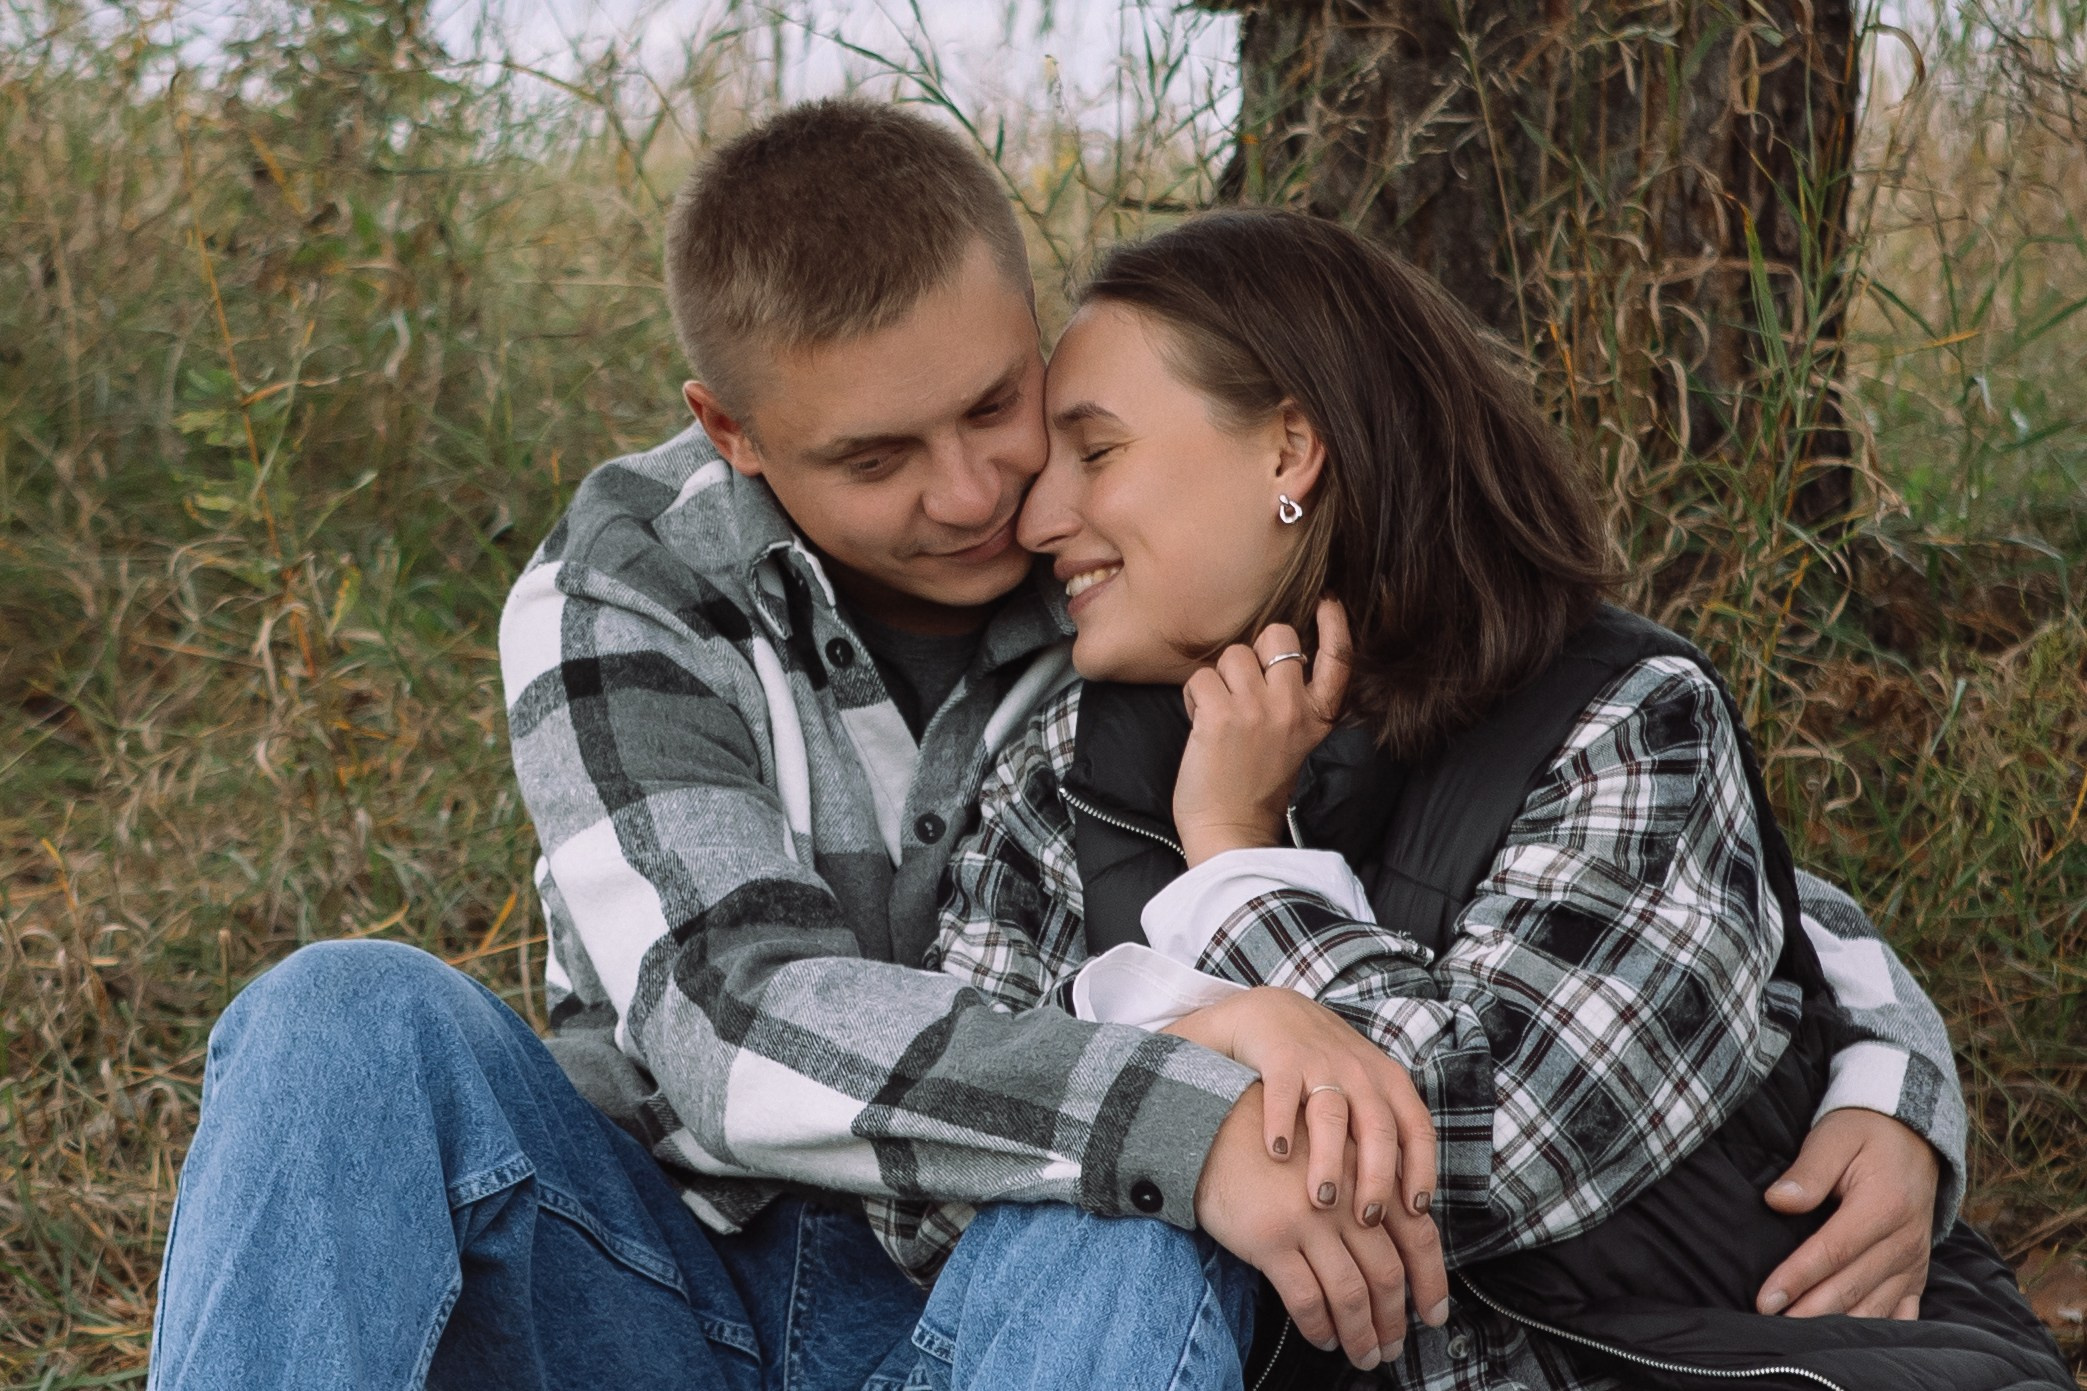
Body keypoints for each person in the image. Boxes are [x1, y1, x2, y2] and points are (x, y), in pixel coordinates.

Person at [146, 100, 1970, 1390]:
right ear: (734, 430)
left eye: (1004, 410)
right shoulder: (631, 584)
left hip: (1014, 1297)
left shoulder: (1135, 567)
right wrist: (1206, 1080)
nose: (980, 498)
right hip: (658, 1271)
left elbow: (1622, 847)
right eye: (874, 458)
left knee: (1120, 1223)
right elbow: (722, 1019)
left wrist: (1885, 1067)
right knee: (339, 1016)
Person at [925, 206, 2067, 1389]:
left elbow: (1481, 1144)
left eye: (1096, 451)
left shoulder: (1626, 718)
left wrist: (1230, 865)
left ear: (1288, 448)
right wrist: (1207, 1031)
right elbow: (936, 1180)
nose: (1035, 516)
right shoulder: (1060, 758)